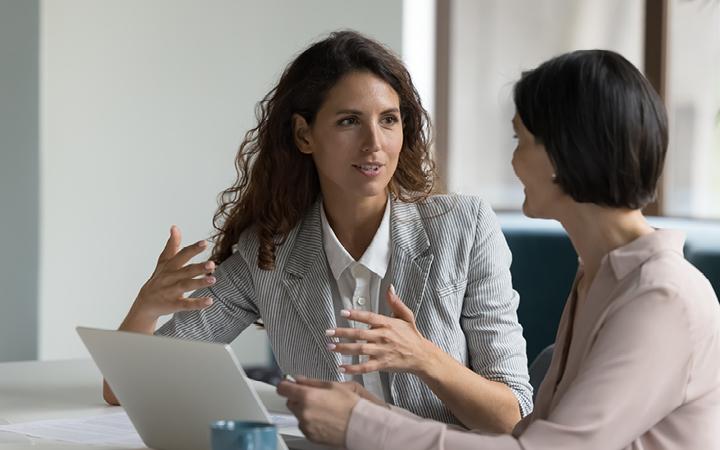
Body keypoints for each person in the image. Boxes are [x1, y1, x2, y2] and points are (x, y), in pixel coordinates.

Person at [277, 49, 720, 449]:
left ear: (564, 154)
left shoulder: (661, 297)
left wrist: (361, 425)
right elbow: (528, 435)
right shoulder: (599, 277)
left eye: (520, 141)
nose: (513, 162)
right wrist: (375, 414)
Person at [103, 30, 533, 432]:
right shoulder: (267, 254)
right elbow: (125, 389)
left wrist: (424, 359)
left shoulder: (464, 227)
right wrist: (146, 307)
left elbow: (514, 416)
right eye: (349, 121)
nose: (374, 143)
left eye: (388, 120)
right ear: (304, 135)